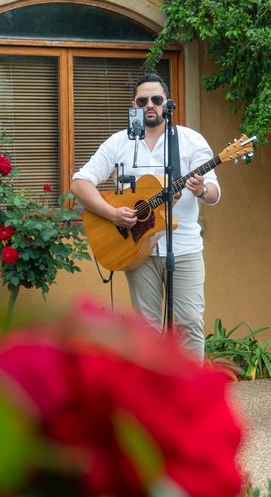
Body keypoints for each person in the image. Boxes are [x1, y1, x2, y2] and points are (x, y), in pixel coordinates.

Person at [71, 73, 220, 360]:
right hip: (137, 247)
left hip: (184, 248)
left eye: (156, 99)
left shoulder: (190, 141)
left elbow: (214, 193)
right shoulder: (119, 142)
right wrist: (112, 213)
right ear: (134, 105)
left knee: (188, 323)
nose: (149, 104)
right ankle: (152, 398)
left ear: (168, 104)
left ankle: (188, 398)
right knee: (146, 330)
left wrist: (201, 190)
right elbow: (80, 182)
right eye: (143, 100)